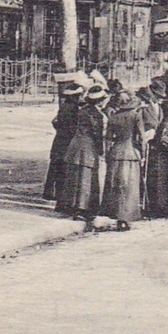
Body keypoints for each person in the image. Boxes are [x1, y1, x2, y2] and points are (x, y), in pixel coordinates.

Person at [63, 83, 109, 227]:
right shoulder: (97, 115)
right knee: (86, 178)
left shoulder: (82, 110)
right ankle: (83, 209)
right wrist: (101, 151)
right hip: (88, 148)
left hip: (75, 145)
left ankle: (72, 206)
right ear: (100, 100)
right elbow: (97, 134)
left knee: (75, 177)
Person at [100, 91, 146, 231]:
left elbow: (107, 138)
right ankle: (126, 217)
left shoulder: (114, 116)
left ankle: (116, 215)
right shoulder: (136, 116)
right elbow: (142, 138)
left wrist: (107, 154)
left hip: (115, 153)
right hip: (130, 153)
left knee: (116, 185)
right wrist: (143, 155)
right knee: (129, 187)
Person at [45, 81, 83, 210]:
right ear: (73, 96)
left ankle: (53, 194)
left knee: (56, 169)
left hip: (59, 140)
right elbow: (72, 126)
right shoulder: (73, 108)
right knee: (64, 170)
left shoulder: (64, 106)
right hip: (67, 142)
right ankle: (62, 200)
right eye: (78, 96)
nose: (79, 98)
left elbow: (55, 122)